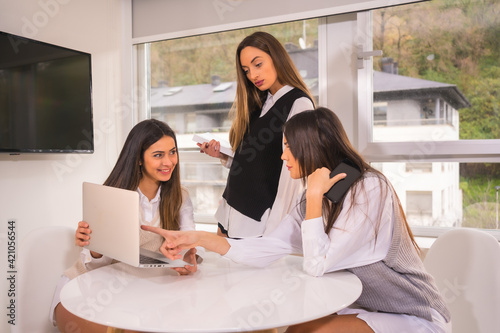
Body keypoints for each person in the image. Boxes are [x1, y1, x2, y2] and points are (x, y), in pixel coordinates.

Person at [143, 108, 452, 333]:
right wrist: (197, 238)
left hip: (413, 315)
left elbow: (317, 264)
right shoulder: (313, 199)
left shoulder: (369, 189)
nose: (283, 156)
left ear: (311, 147)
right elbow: (267, 247)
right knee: (295, 330)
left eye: (288, 146)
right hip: (364, 307)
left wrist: (315, 196)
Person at [51, 119, 201, 333]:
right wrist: (94, 247)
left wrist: (185, 258)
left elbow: (188, 242)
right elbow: (93, 267)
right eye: (158, 155)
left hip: (136, 293)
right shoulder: (113, 195)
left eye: (172, 152)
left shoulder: (181, 196)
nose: (168, 162)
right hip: (84, 290)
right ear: (139, 159)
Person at [199, 31, 315, 238]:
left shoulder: (299, 104)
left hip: (257, 222)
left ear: (277, 58)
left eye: (257, 64)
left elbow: (292, 178)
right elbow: (256, 160)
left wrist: (275, 230)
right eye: (246, 70)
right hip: (229, 211)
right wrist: (223, 156)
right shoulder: (258, 103)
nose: (252, 75)